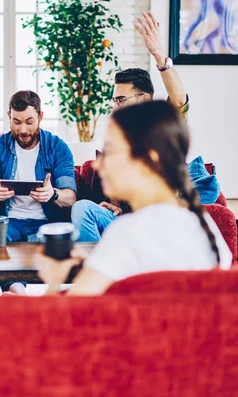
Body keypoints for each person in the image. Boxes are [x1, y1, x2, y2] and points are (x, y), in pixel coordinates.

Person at [36, 101, 232, 295]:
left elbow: (64, 317)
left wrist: (54, 280)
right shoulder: (205, 227)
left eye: (110, 151)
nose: (96, 164)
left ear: (148, 160)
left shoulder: (127, 232)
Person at [72, 11, 190, 242]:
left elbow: (179, 100)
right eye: (114, 100)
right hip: (125, 223)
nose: (116, 106)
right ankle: (103, 272)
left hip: (161, 226)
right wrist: (118, 207)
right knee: (81, 208)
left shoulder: (163, 129)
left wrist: (160, 57)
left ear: (144, 99)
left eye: (121, 100)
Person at [0, 90, 77, 293]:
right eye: (16, 122)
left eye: (29, 122)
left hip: (46, 223)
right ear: (9, 117)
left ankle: (53, 294)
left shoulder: (57, 147)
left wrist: (54, 194)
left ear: (40, 117)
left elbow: (71, 196)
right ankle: (17, 291)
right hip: (10, 222)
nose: (23, 129)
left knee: (62, 242)